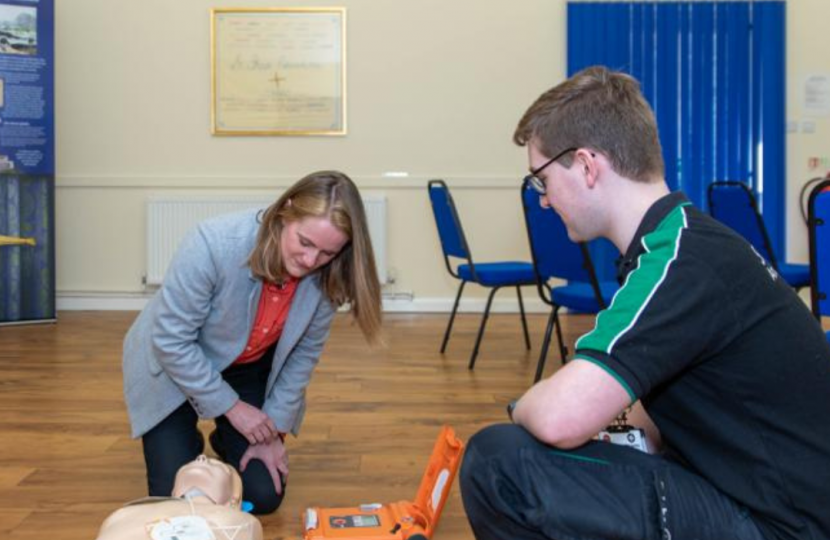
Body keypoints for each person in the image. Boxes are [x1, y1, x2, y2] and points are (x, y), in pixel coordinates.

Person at [459, 66, 830, 540]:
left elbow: (558, 418)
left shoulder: (679, 260)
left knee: (498, 462)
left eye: (542, 179)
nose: (545, 200)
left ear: (587, 166)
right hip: (773, 499)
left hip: (783, 525)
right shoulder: (689, 241)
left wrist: (523, 405)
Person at [123, 171, 382, 515]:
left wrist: (273, 431)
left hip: (245, 364)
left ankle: (225, 439)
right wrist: (233, 409)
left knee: (263, 495)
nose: (310, 261)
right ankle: (193, 435)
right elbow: (171, 341)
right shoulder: (213, 244)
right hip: (174, 366)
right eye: (305, 242)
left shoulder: (328, 273)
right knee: (177, 499)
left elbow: (302, 357)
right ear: (286, 211)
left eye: (327, 252)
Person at [96, 455, 263, 540]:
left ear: (234, 499)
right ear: (174, 491)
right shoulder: (121, 514)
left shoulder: (243, 522)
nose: (202, 458)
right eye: (190, 463)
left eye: (216, 466)